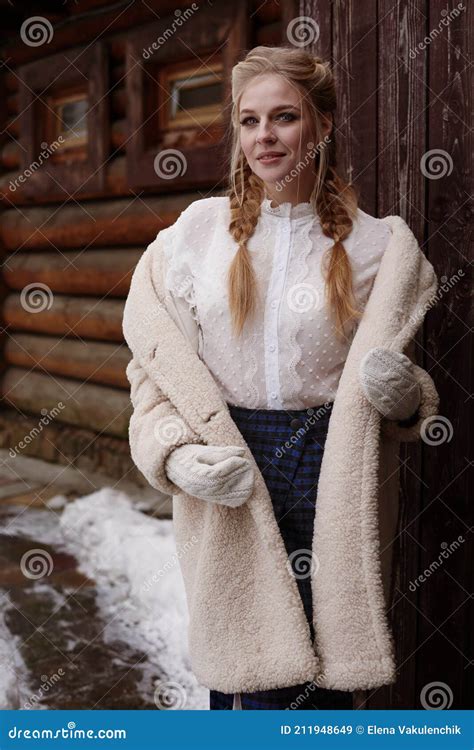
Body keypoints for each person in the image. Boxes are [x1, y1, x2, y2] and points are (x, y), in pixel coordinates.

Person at [122, 45, 439, 711]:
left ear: (321, 125)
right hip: (232, 468)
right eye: (248, 121)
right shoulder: (195, 239)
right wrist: (177, 453)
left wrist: (405, 397)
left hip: (332, 470)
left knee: (313, 692)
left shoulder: (376, 245)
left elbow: (411, 397)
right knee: (239, 676)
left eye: (284, 117)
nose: (264, 137)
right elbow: (154, 369)